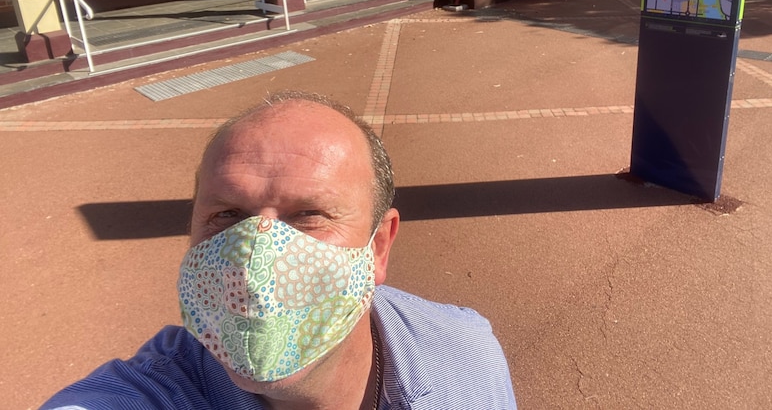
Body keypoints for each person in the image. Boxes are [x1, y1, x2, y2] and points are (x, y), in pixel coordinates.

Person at [42, 90, 517, 410]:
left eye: (309, 215)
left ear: (379, 247)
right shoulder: (148, 391)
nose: (256, 263)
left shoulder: (467, 351)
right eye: (226, 216)